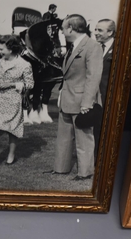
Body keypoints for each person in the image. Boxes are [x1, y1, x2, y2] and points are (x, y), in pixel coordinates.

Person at [49, 15, 102, 180]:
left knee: (83, 138)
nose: (62, 32)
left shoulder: (92, 46)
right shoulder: (73, 46)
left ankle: (85, 172)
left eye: (64, 28)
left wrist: (87, 103)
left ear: (71, 28)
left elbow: (93, 77)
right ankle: (60, 168)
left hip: (81, 101)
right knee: (63, 137)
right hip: (66, 99)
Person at [0, 35, 34, 166]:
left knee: (12, 129)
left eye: (1, 49)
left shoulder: (24, 65)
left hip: (13, 99)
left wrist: (11, 85)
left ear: (11, 49)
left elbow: (30, 84)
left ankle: (11, 155)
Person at [93, 19, 115, 156]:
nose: (95, 33)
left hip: (109, 97)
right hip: (94, 97)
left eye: (99, 30)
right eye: (95, 30)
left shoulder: (119, 49)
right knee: (95, 127)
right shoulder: (95, 48)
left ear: (110, 32)